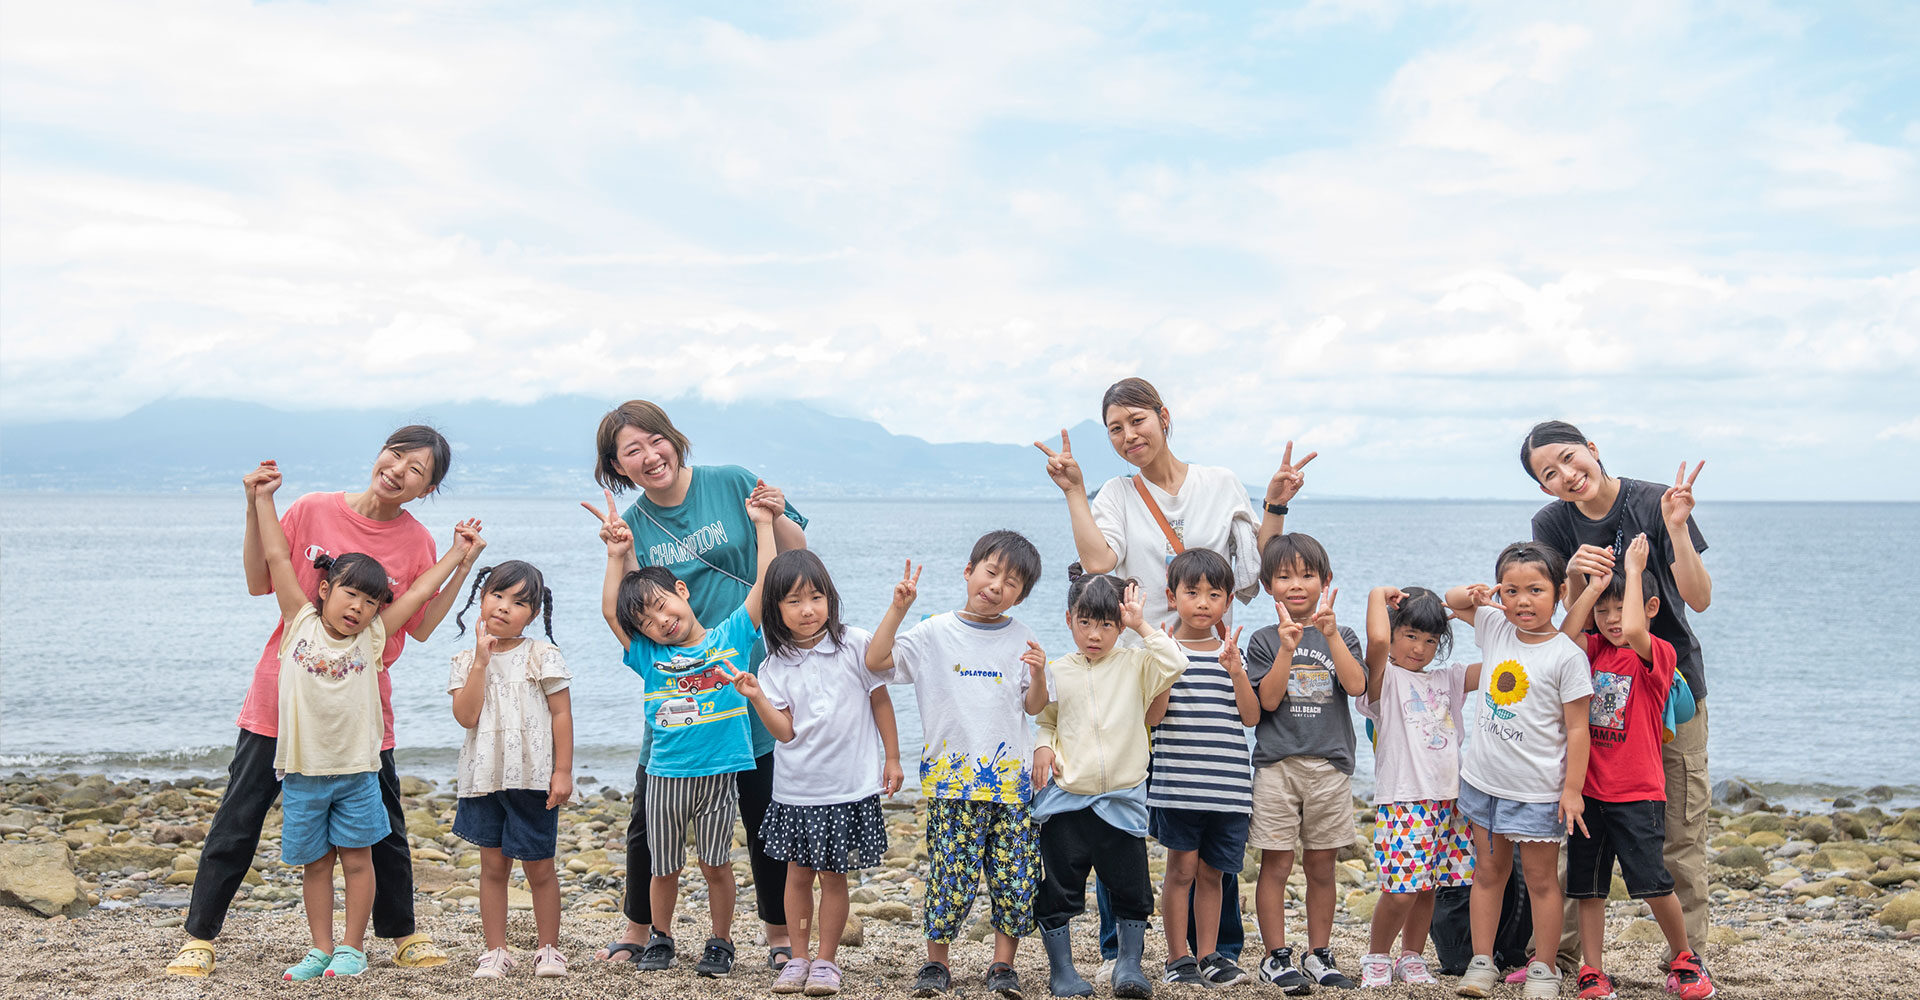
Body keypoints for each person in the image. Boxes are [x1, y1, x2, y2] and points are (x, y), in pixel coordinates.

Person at [168, 429, 477, 978]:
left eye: (418, 470)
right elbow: (263, 574)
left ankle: (400, 934)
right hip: (279, 705)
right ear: (381, 451)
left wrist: (460, 561)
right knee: (238, 820)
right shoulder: (312, 509)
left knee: (383, 831)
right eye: (397, 455)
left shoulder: (417, 542)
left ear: (427, 489)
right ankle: (199, 936)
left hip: (361, 716)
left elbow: (421, 621)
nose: (400, 470)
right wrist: (254, 502)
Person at [1035, 375, 1316, 974]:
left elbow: (1249, 572)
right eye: (1115, 428)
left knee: (1210, 795)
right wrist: (1076, 492)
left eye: (1137, 420)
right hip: (1138, 665)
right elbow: (1097, 562)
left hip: (1214, 660)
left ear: (1165, 416)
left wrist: (1275, 505)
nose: (1128, 435)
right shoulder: (1115, 492)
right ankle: (1124, 949)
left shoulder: (1219, 484)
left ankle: (1218, 951)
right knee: (1123, 800)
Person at [591, 400, 809, 969]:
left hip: (747, 668)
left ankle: (778, 933)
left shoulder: (732, 481)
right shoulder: (635, 523)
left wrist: (774, 515)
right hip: (672, 686)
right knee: (649, 810)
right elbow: (624, 610)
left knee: (765, 807)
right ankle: (641, 929)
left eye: (653, 441)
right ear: (618, 467)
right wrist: (616, 554)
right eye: (630, 451)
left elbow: (795, 558)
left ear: (673, 438)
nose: (648, 456)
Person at [250, 471, 481, 980]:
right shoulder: (299, 623)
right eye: (350, 594)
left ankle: (352, 949)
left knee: (357, 861)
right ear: (325, 589)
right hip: (304, 773)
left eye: (371, 601)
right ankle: (319, 949)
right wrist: (264, 500)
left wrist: (458, 554)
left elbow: (420, 590)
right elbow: (274, 558)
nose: (359, 607)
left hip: (357, 772)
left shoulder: (373, 639)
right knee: (315, 866)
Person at [1522, 421, 1714, 977]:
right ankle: (1562, 959)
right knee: (1580, 830)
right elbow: (1566, 630)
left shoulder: (1655, 501)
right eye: (1549, 473)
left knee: (1679, 831)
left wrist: (1675, 530)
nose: (1567, 475)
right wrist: (1576, 579)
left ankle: (1686, 958)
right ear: (1543, 487)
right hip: (1593, 696)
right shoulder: (1551, 524)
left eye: (1569, 458)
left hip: (1669, 690)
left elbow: (1698, 600)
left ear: (1593, 449)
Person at [865, 531, 1046, 1000]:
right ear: (969, 572)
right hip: (953, 784)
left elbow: (1033, 707)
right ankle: (936, 964)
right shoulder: (933, 633)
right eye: (991, 572)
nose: (997, 585)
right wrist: (898, 609)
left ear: (1021, 595)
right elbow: (877, 660)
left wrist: (1041, 672)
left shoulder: (1022, 638)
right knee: (950, 875)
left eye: (1011, 582)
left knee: (1015, 879)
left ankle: (1002, 966)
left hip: (1012, 788)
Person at [730, 550, 906, 997]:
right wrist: (756, 696)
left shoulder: (855, 643)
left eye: (816, 597)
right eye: (793, 601)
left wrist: (892, 758)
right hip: (797, 790)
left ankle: (826, 961)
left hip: (848, 787)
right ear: (775, 610)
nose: (807, 609)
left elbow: (880, 700)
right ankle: (798, 957)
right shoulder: (774, 666)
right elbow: (784, 733)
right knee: (797, 875)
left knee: (834, 876)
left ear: (830, 598)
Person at [1558, 536, 1716, 1000]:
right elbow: (1561, 640)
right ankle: (1593, 969)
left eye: (1618, 610)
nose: (1611, 622)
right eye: (1601, 613)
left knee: (1652, 882)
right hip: (1588, 792)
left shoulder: (1657, 655)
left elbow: (1633, 626)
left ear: (1648, 607)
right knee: (1588, 888)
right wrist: (1587, 590)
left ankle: (1685, 959)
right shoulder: (1589, 651)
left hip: (1638, 792)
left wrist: (1631, 566)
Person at [1444, 542, 1593, 1000]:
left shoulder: (1566, 655)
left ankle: (1544, 969)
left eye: (1535, 589)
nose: (1522, 601)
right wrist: (1476, 593)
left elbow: (1578, 729)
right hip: (1484, 783)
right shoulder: (1493, 626)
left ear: (1559, 591)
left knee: (1543, 881)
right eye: (1511, 590)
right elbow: (1451, 601)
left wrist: (1572, 790)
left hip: (1537, 792)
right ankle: (1481, 962)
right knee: (1488, 875)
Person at [1030, 571, 1187, 1000]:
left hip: (1122, 799)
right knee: (1059, 888)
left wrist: (1140, 625)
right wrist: (1043, 746)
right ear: (1068, 620)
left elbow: (1176, 663)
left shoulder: (1136, 663)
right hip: (1067, 802)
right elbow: (1046, 718)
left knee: (1132, 888)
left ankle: (1129, 967)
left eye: (1106, 625)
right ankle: (1062, 972)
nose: (1094, 635)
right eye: (1085, 623)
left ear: (1119, 625)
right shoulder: (1061, 670)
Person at [1243, 533, 1367, 993]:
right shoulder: (1262, 640)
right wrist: (1286, 648)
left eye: (1307, 575)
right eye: (1284, 576)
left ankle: (1319, 952)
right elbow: (1268, 702)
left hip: (1329, 766)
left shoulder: (1343, 634)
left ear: (1326, 581)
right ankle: (1276, 957)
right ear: (1269, 585)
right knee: (1275, 864)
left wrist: (1331, 635)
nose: (1297, 585)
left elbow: (1356, 687)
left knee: (1322, 866)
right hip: (1277, 765)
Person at [447, 560, 574, 979]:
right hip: (484, 779)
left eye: (518, 602)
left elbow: (561, 715)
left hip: (533, 777)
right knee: (493, 867)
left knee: (540, 866)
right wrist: (481, 663)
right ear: (482, 599)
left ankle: (549, 948)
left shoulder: (541, 654)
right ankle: (496, 950)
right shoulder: (466, 660)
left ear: (533, 614)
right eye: (497, 595)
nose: (503, 607)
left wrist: (563, 771)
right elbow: (466, 717)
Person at [1142, 549, 1260, 988]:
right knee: (1181, 871)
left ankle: (1210, 954)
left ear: (1228, 601)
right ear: (1173, 597)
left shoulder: (1233, 653)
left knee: (1214, 874)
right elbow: (1153, 718)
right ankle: (1178, 958)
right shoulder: (1165, 651)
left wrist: (1236, 673)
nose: (1204, 602)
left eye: (1214, 594)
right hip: (1178, 789)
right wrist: (1167, 670)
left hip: (1229, 790)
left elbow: (1250, 718)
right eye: (1193, 593)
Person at [1354, 587, 1475, 989]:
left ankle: (1411, 957)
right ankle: (1376, 955)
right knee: (1402, 890)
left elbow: (1500, 661)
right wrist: (1376, 596)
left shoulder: (1448, 678)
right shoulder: (1385, 681)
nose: (1420, 648)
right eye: (1410, 635)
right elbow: (1375, 641)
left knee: (1428, 888)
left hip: (1449, 801)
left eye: (1430, 639)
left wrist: (1467, 608)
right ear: (1394, 632)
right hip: (1404, 798)